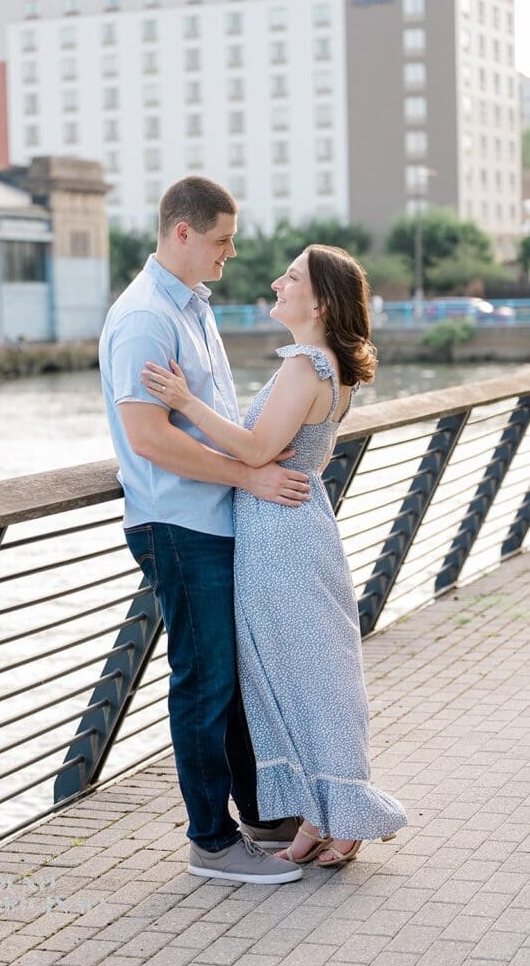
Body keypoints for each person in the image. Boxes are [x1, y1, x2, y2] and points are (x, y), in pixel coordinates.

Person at [142, 243, 408, 867]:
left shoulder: (306, 367)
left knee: (314, 677)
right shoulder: (322, 365)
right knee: (289, 677)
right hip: (286, 527)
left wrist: (185, 404)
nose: (275, 282)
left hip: (282, 533)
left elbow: (259, 447)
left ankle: (344, 814)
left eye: (291, 278)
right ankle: (318, 814)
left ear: (319, 302)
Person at [98, 176, 312, 884]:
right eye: (222, 239)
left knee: (233, 679)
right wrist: (250, 476)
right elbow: (150, 440)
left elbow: (203, 415)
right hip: (178, 523)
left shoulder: (192, 307)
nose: (231, 252)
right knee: (204, 681)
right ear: (181, 233)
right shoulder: (143, 319)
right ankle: (210, 843)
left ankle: (256, 813)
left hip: (213, 519)